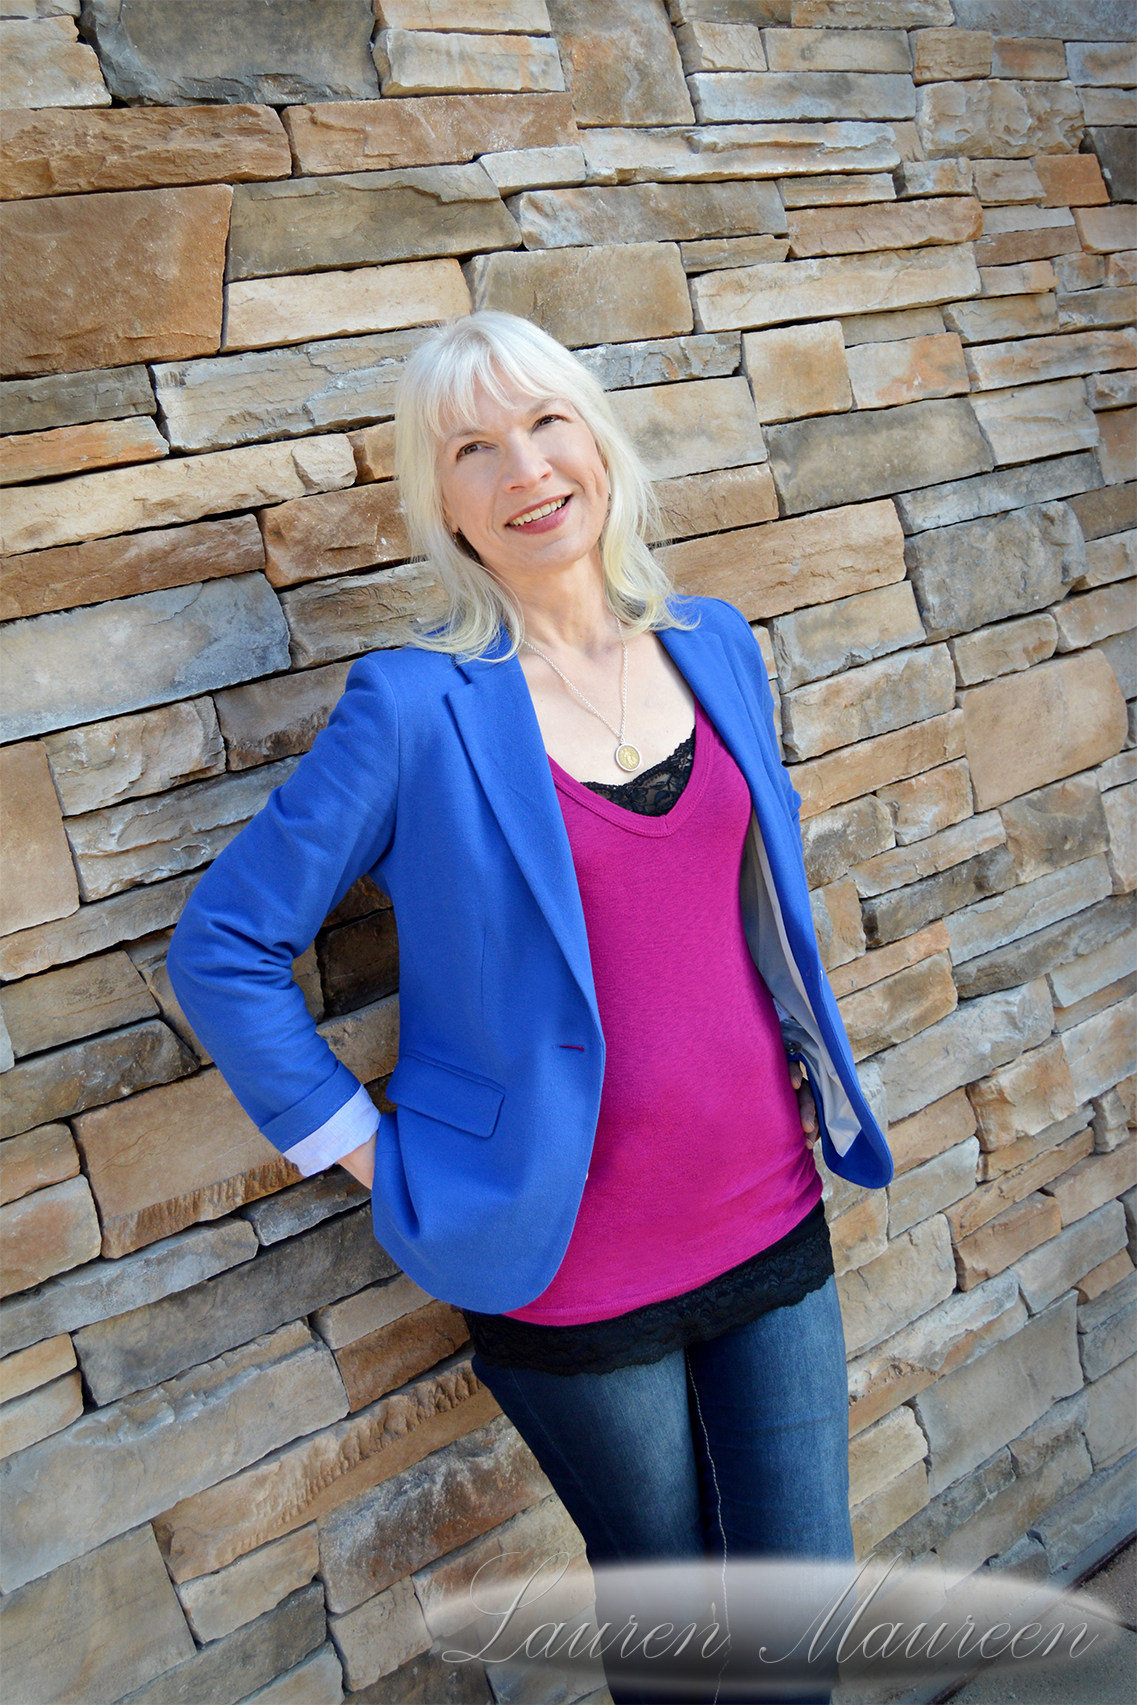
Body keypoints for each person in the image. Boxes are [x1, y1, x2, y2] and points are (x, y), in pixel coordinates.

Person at [167, 309, 893, 1704]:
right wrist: (374, 1155)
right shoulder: (414, 708)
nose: (526, 470)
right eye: (473, 449)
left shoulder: (715, 644)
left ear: (597, 438)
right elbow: (225, 946)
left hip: (767, 1205)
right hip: (569, 1264)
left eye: (548, 422)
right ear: (442, 502)